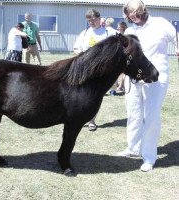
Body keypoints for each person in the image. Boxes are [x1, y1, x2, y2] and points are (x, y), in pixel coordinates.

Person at [117, 0, 179, 172]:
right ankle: (133, 148)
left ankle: (149, 157)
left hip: (156, 78)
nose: (133, 15)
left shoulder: (161, 23)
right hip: (134, 78)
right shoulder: (129, 31)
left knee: (151, 116)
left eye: (136, 11)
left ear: (143, 10)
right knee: (133, 113)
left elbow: (177, 38)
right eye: (130, 13)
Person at [73, 9, 115, 130]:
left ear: (99, 18)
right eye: (88, 20)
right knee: (83, 95)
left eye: (93, 20)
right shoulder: (85, 33)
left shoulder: (108, 32)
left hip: (101, 70)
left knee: (96, 96)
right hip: (85, 69)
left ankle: (92, 121)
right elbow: (76, 48)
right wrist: (81, 54)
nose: (91, 22)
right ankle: (83, 119)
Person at [116, 21, 128, 92]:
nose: (117, 28)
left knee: (123, 72)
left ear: (122, 27)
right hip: (120, 55)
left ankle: (121, 86)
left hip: (124, 55)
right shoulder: (120, 35)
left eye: (118, 27)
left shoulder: (125, 35)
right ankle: (121, 86)